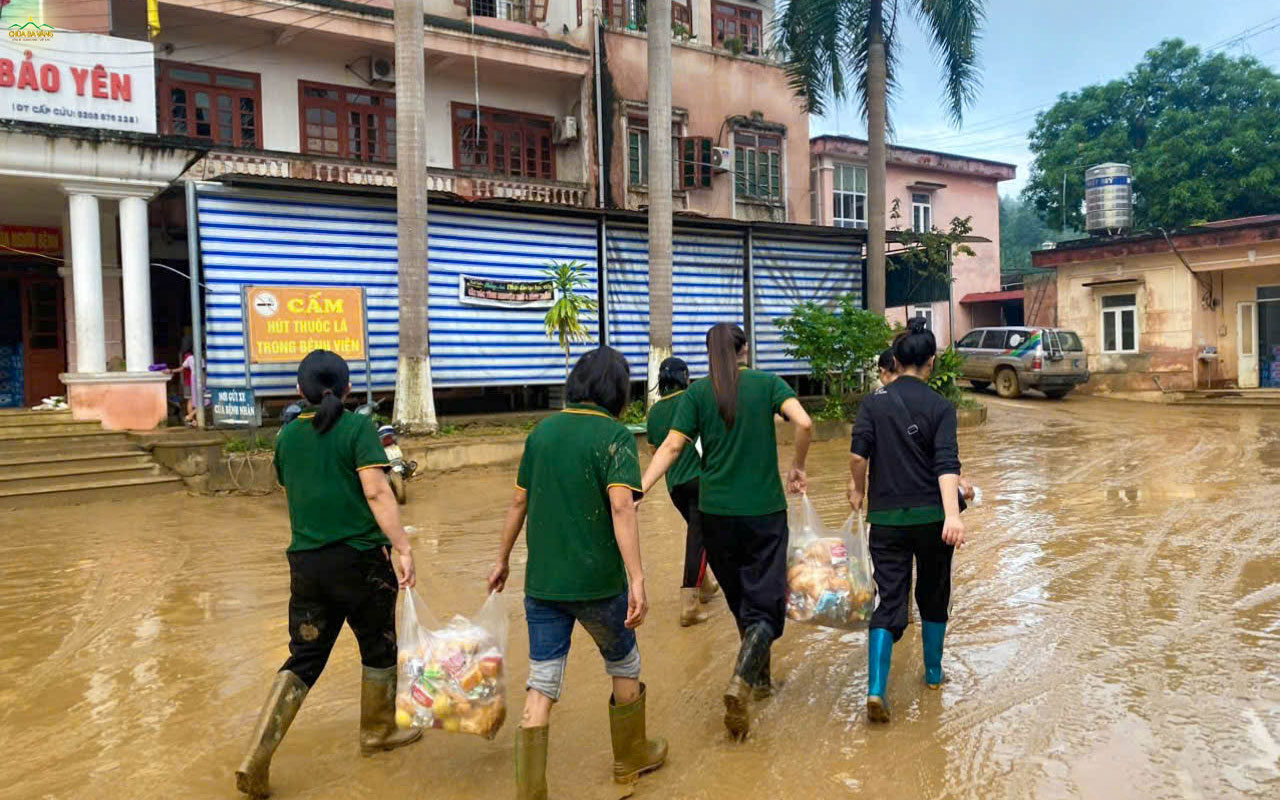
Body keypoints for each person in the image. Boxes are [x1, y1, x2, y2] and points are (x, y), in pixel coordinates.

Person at [235, 350, 420, 798]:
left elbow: (287, 486)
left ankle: (256, 757)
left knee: (304, 657)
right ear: (347, 389)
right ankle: (376, 734)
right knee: (378, 646)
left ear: (300, 391)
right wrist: (403, 547)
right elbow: (377, 492)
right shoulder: (358, 428)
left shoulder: (286, 439)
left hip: (307, 568)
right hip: (360, 562)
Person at [487, 346, 666, 799]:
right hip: (599, 583)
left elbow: (518, 502)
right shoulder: (615, 436)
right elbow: (622, 504)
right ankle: (630, 761)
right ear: (618, 393)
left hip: (542, 585)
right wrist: (638, 577)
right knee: (624, 661)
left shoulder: (541, 434)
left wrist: (501, 559)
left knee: (542, 681)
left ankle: (530, 791)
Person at [643, 323, 812, 740]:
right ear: (744, 349)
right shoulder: (767, 384)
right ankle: (741, 678)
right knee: (768, 605)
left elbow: (670, 447)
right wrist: (798, 466)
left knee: (741, 601)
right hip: (764, 512)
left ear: (707, 352)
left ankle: (761, 682)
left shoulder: (698, 394)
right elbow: (804, 423)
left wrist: (639, 488)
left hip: (715, 515)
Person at [848, 319, 966, 725]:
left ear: (895, 361)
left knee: (888, 600)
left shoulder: (874, 403)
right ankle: (933, 675)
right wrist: (952, 515)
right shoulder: (941, 407)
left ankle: (876, 689)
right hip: (933, 520)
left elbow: (858, 457)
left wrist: (858, 490)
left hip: (886, 520)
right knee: (934, 595)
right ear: (931, 362)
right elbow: (946, 464)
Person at [645, 356, 719, 627]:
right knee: (703, 536)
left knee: (697, 534)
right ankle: (689, 604)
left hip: (674, 486)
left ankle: (707, 585)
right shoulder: (693, 399)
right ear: (684, 378)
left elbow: (655, 451)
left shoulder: (653, 412)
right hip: (701, 480)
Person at [876, 346, 975, 502]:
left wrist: (856, 486)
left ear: (883, 371)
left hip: (890, 499)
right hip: (927, 495)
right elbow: (943, 451)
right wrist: (959, 479)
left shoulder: (875, 403)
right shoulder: (930, 400)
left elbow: (860, 456)